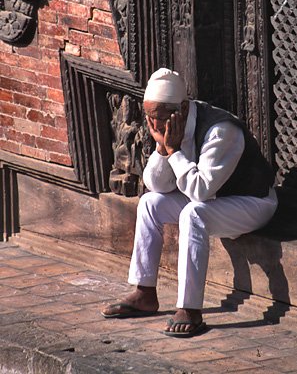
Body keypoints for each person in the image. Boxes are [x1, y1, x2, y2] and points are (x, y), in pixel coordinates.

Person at [102, 68, 278, 337]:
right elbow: (158, 185)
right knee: (150, 203)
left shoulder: (221, 131)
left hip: (251, 202)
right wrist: (162, 149)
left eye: (161, 117)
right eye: (150, 118)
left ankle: (190, 309)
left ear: (182, 108)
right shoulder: (168, 127)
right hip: (214, 201)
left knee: (193, 214)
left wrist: (172, 150)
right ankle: (144, 292)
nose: (156, 126)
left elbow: (200, 191)